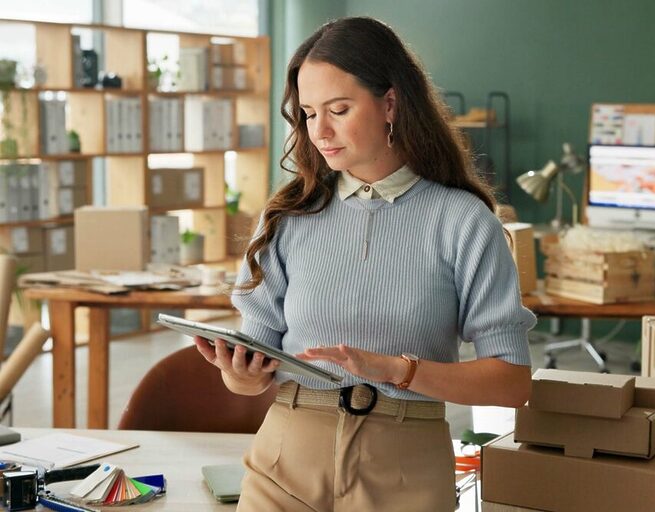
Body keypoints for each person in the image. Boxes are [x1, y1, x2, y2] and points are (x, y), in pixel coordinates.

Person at [195, 16, 536, 512]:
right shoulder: (287, 215)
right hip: (285, 457)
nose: (320, 131)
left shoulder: (463, 221)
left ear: (390, 103)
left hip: (406, 465)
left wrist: (396, 369)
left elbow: (511, 383)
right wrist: (241, 376)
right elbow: (255, 361)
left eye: (338, 109)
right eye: (309, 113)